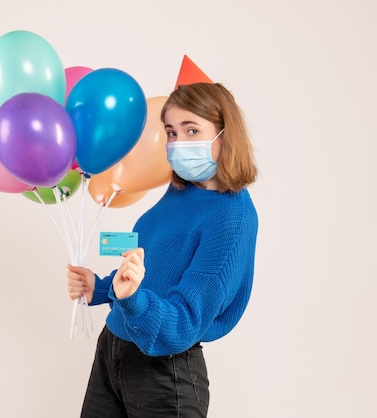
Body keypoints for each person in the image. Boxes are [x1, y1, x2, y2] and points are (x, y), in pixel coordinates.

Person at [67, 82, 258, 418]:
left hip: (164, 369)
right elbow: (151, 269)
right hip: (114, 347)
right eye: (171, 131)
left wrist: (133, 298)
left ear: (225, 135)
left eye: (192, 130)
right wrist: (99, 287)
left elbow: (186, 320)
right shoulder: (181, 190)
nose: (178, 143)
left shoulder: (232, 218)